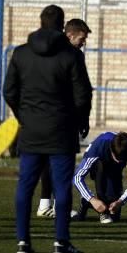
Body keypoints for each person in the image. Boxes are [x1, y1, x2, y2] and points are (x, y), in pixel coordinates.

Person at [3, 4, 92, 253]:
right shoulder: (71, 56)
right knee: (62, 186)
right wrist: (79, 119)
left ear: (41, 22)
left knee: (25, 185)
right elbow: (83, 94)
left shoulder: (21, 53)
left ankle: (23, 242)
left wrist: (24, 116)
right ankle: (60, 243)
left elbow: (9, 91)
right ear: (63, 26)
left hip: (31, 129)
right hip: (61, 129)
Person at [36, 17, 93, 219]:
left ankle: (45, 205)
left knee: (49, 160)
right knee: (60, 161)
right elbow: (82, 89)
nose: (83, 42)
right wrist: (83, 116)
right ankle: (58, 206)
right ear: (69, 35)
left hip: (49, 115)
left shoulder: (49, 53)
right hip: (62, 116)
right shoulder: (71, 56)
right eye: (82, 38)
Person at [73, 132, 127, 223]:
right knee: (100, 166)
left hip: (114, 171)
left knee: (114, 214)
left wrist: (120, 202)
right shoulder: (98, 147)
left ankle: (86, 203)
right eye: (117, 159)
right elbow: (77, 177)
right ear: (111, 150)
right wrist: (92, 199)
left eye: (124, 160)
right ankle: (91, 201)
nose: (119, 162)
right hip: (98, 165)